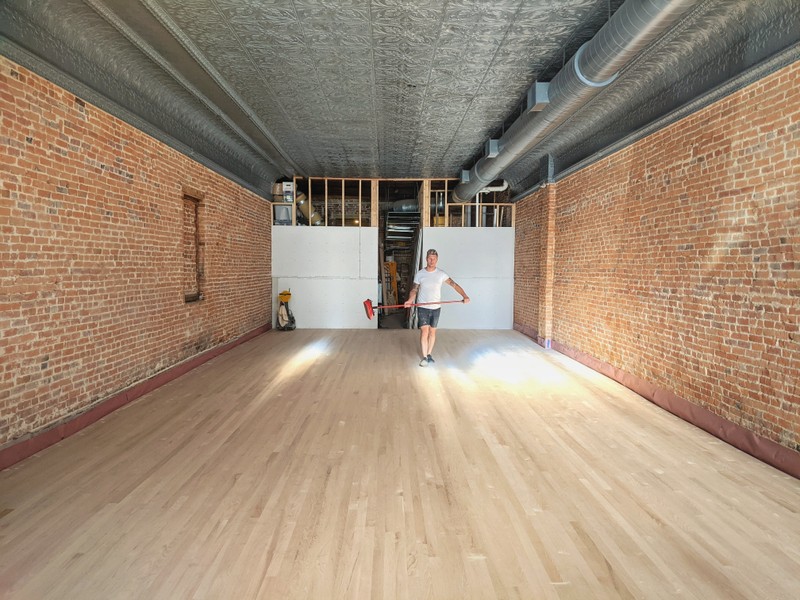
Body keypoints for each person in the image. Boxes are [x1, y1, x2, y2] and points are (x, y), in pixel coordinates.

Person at [404, 249, 470, 367]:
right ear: (426, 259)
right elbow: (414, 289)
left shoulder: (441, 274)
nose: (432, 260)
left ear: (437, 259)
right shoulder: (420, 274)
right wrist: (410, 300)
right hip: (422, 307)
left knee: (432, 332)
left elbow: (454, 284)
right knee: (425, 332)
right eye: (429, 258)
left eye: (434, 258)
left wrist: (464, 296)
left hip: (436, 308)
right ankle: (424, 357)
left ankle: (429, 354)